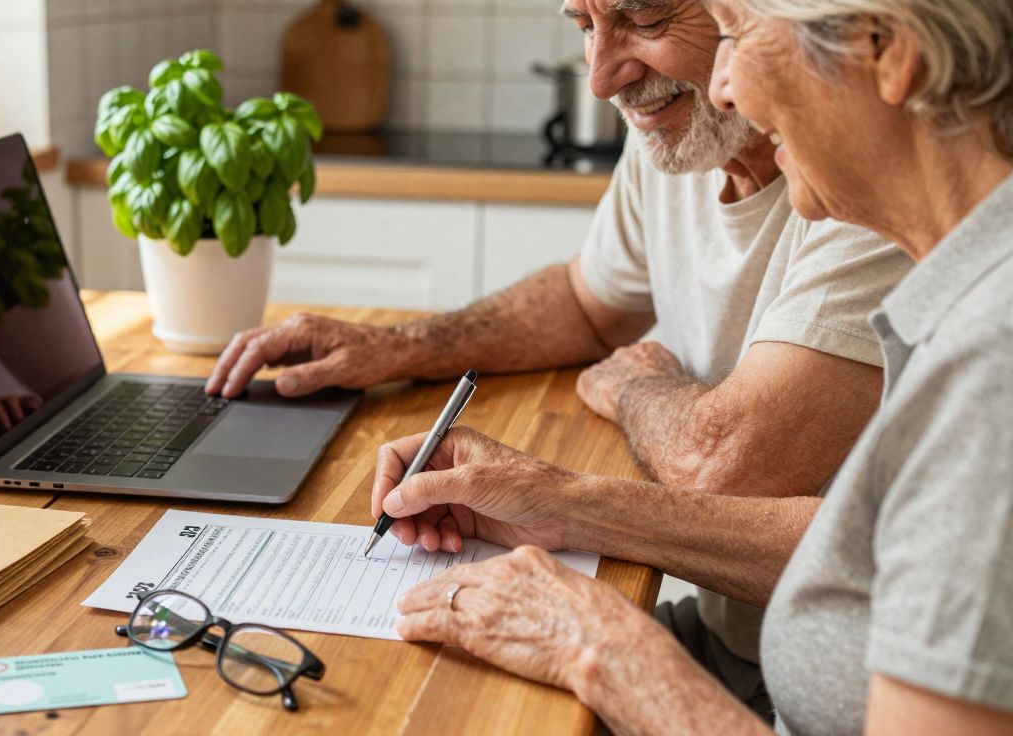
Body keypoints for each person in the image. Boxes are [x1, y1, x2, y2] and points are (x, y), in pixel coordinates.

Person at [206, 0, 911, 714]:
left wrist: (638, 395)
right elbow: (586, 302)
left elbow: (727, 469)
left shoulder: (865, 178)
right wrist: (394, 348)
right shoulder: (678, 135)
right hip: (742, 643)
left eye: (646, 20)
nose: (601, 79)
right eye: (583, 26)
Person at [377, 0, 1013, 732]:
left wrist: (604, 649)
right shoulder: (961, 287)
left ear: (888, 52)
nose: (724, 86)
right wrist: (561, 507)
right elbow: (873, 552)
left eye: (739, 33)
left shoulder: (986, 368)